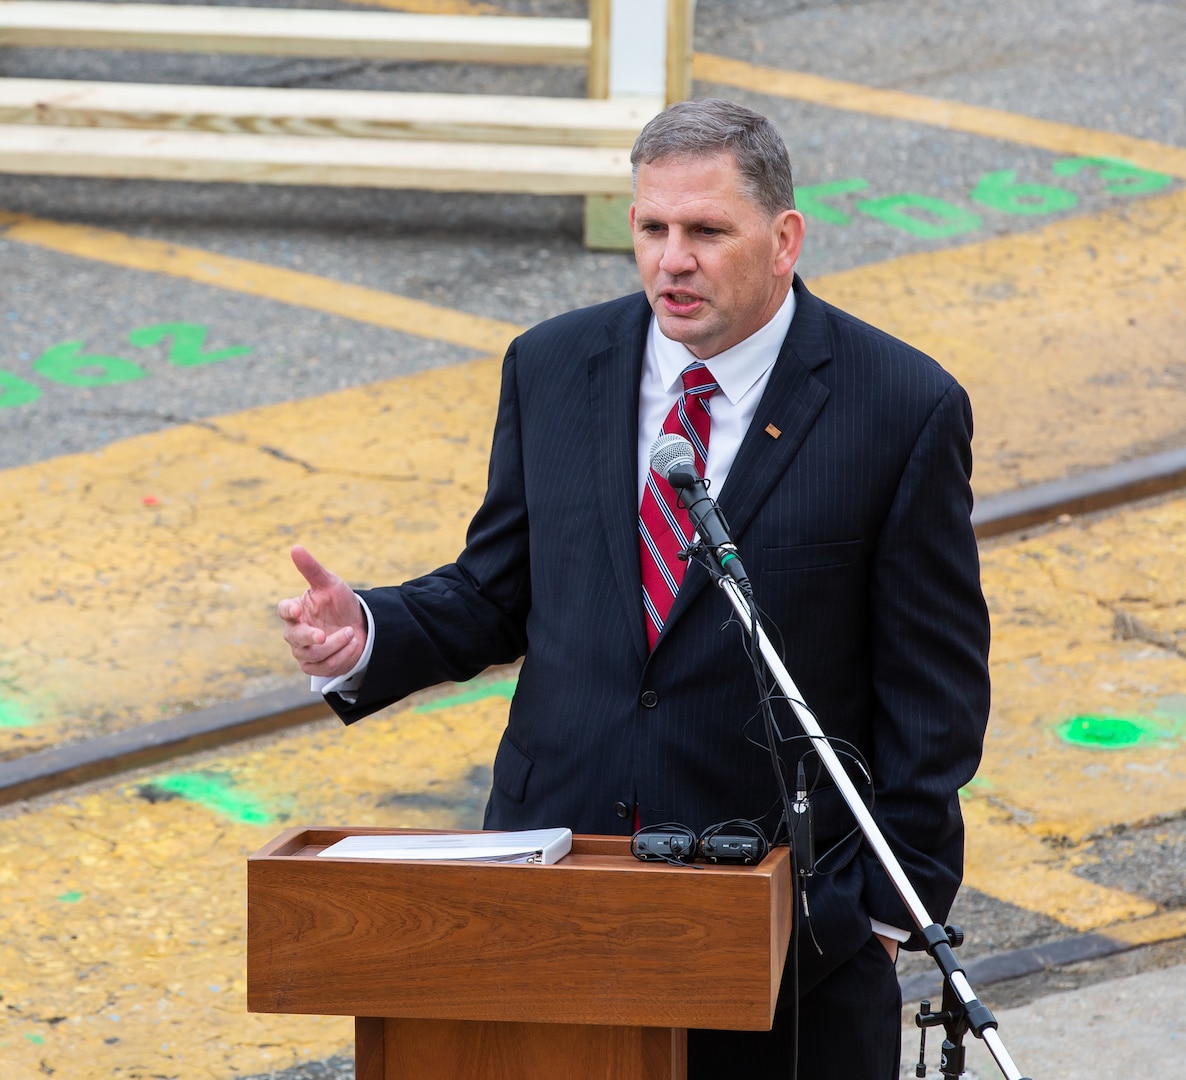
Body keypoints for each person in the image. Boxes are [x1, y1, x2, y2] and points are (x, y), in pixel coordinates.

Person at [277, 98, 989, 1079]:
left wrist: (880, 913)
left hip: (783, 935)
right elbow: (498, 590)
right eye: (652, 229)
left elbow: (935, 693)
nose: (672, 260)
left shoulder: (900, 407)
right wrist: (365, 632)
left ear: (785, 239)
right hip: (552, 899)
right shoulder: (554, 365)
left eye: (706, 232)